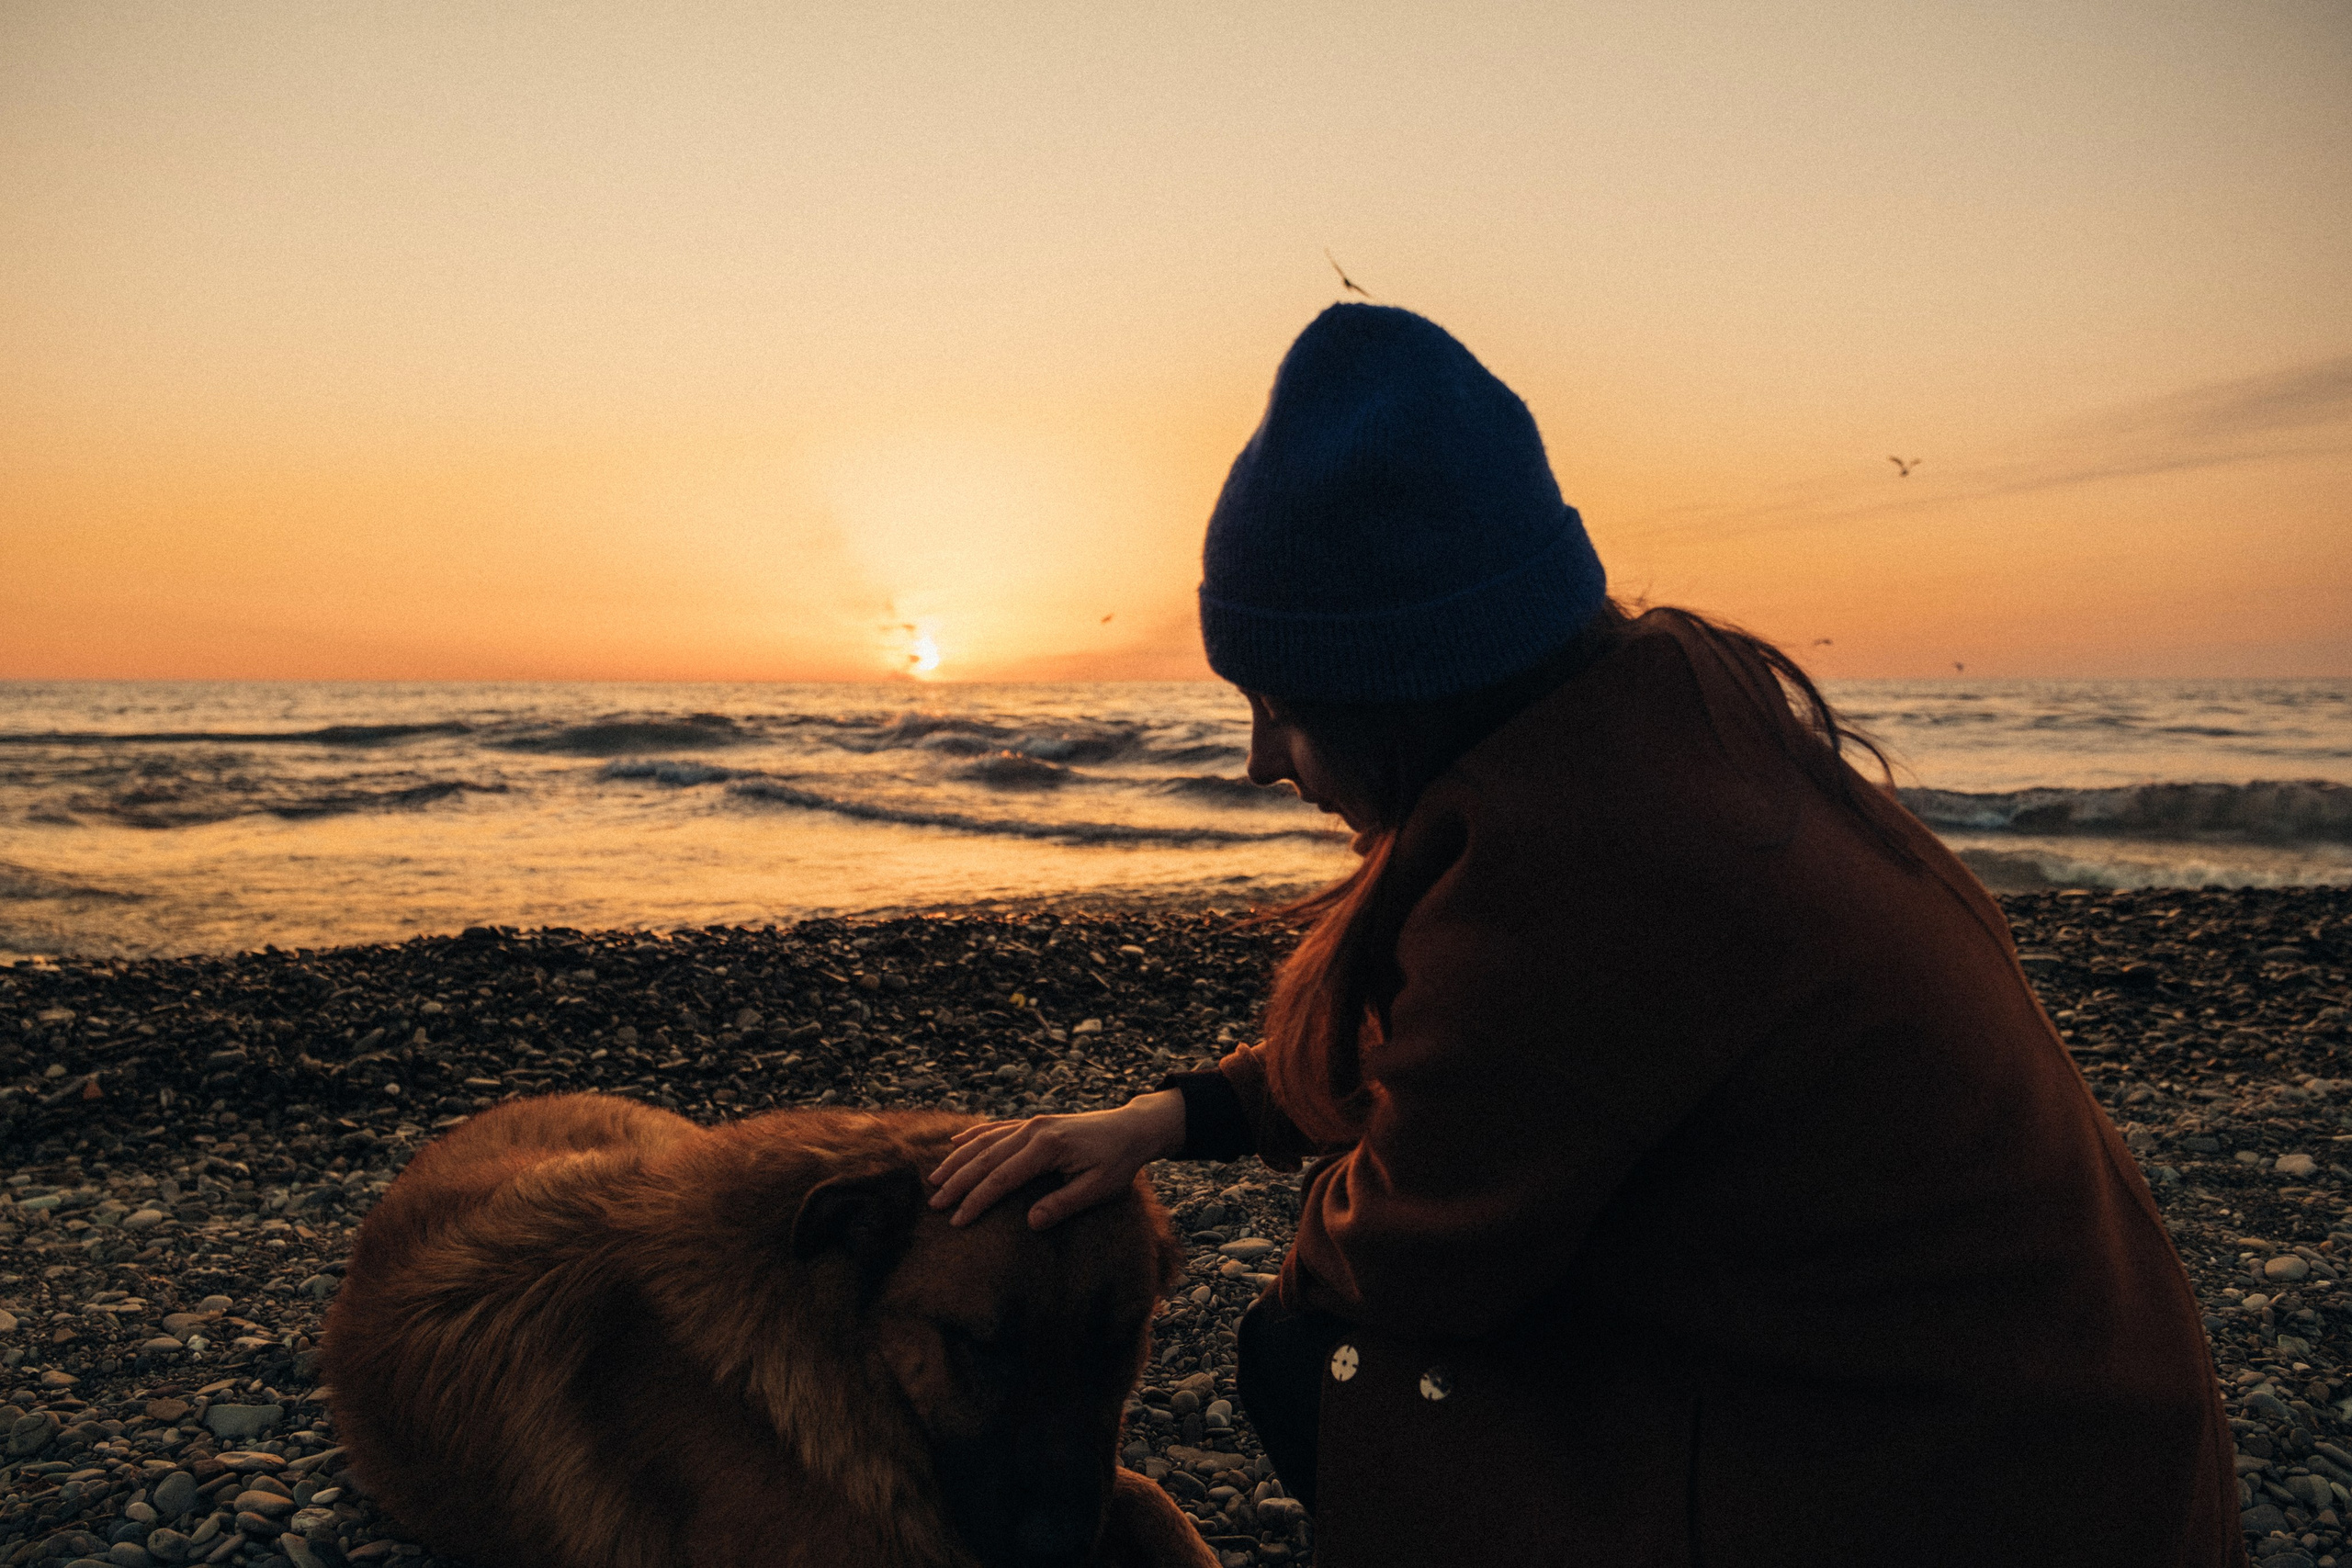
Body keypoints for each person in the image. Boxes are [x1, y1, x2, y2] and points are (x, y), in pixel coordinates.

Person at [927, 304, 2243, 1566]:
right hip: (2071, 1451)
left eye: (1282, 704)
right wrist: (1177, 1118)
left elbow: (1396, 1261)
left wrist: (1351, 1179)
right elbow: (1445, 1058)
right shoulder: (1664, 722)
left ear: (1404, 690)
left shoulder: (1583, 870)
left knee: (1304, 1361)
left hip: (1956, 1504)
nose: (1263, 759)